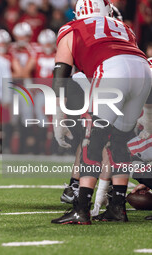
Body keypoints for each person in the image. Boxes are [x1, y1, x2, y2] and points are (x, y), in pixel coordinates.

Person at [51, 0, 151, 225]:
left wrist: (59, 116)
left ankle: (81, 209)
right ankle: (117, 207)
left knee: (92, 139)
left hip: (111, 68)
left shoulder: (71, 28)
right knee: (119, 141)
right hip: (142, 69)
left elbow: (61, 76)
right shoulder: (124, 27)